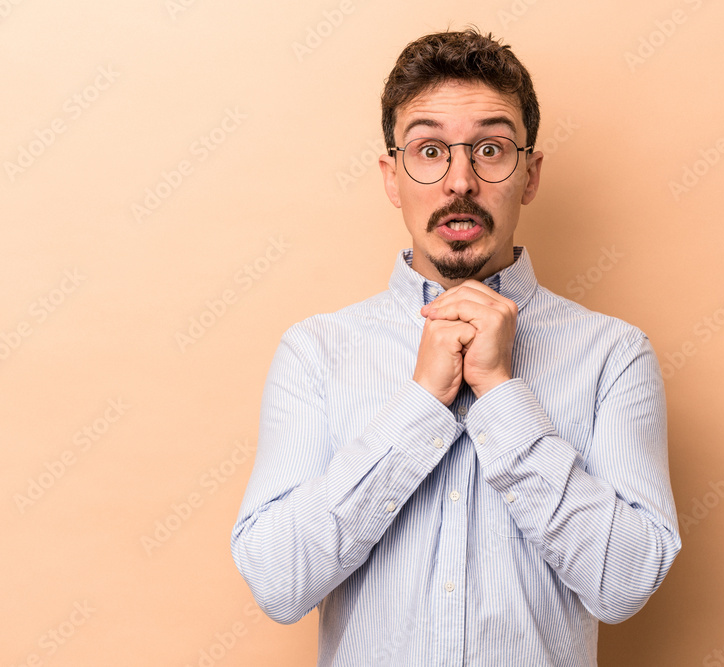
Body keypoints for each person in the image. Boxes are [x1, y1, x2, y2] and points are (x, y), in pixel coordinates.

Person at [231, 27, 681, 666]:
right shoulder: (316, 353)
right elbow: (277, 583)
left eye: (491, 149)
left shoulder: (613, 355)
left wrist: (500, 394)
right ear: (392, 177)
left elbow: (625, 582)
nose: (460, 182)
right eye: (429, 150)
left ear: (530, 175)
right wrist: (420, 405)